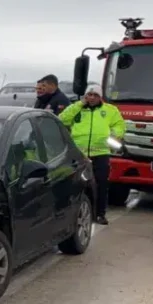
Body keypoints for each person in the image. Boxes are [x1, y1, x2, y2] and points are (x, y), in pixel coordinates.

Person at [58, 84, 125, 225]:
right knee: (78, 185)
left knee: (101, 185)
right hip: (80, 155)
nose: (92, 98)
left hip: (101, 153)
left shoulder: (110, 110)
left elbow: (119, 125)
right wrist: (79, 104)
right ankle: (76, 215)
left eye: (95, 95)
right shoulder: (77, 109)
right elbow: (63, 119)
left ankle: (100, 214)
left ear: (100, 97)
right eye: (89, 94)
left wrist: (113, 139)